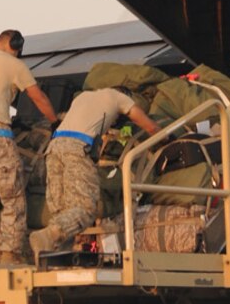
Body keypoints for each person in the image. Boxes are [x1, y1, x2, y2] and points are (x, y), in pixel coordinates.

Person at [0, 30, 57, 269]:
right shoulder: (14, 64)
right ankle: (9, 255)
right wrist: (56, 122)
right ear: (16, 45)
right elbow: (38, 98)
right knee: (13, 197)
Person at [30, 84, 157, 262]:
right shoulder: (119, 98)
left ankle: (55, 256)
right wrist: (166, 138)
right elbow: (149, 126)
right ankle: (49, 235)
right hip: (77, 148)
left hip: (53, 149)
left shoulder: (83, 97)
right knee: (86, 208)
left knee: (63, 210)